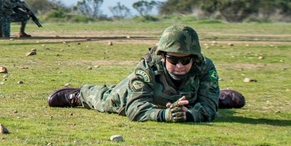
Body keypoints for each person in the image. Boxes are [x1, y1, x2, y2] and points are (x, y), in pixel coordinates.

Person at [47, 24, 246, 121]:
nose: (180, 66)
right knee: (111, 100)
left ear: (195, 58)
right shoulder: (148, 67)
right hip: (147, 95)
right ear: (163, 56)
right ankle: (80, 95)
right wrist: (164, 115)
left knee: (207, 102)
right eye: (174, 59)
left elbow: (208, 110)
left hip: (184, 100)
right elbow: (135, 107)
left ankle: (216, 96)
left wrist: (190, 116)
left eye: (186, 60)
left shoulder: (205, 67)